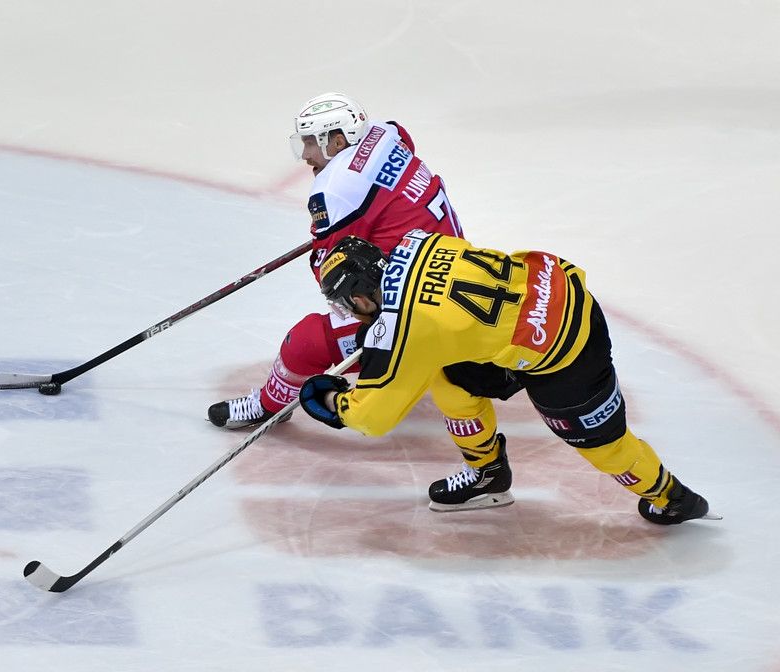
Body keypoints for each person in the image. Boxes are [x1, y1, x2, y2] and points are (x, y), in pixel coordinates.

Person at [298, 232, 719, 525]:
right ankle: (488, 473)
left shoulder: (405, 329)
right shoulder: (419, 242)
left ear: (359, 297)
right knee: (448, 376)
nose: (347, 314)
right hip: (556, 290)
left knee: (603, 445)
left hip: (566, 352)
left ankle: (674, 499)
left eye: (345, 305)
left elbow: (373, 418)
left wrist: (331, 400)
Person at [208, 92, 472, 429]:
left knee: (304, 344)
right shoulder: (384, 132)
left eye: (310, 143)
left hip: (423, 306)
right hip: (456, 267)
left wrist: (326, 237)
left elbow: (333, 279)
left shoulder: (333, 189)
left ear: (336, 141)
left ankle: (268, 405)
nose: (305, 155)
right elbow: (403, 145)